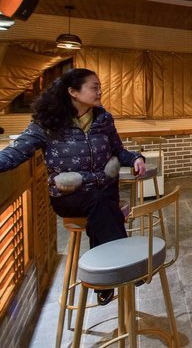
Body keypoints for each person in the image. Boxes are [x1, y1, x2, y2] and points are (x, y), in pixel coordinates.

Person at [0, 68, 146, 304]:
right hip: (70, 196)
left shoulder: (104, 119)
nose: (100, 92)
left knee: (102, 206)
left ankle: (105, 283)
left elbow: (118, 151)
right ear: (73, 92)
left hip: (103, 191)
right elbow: (16, 152)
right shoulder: (48, 123)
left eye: (100, 87)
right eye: (94, 87)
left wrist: (136, 158)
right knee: (102, 204)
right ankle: (126, 268)